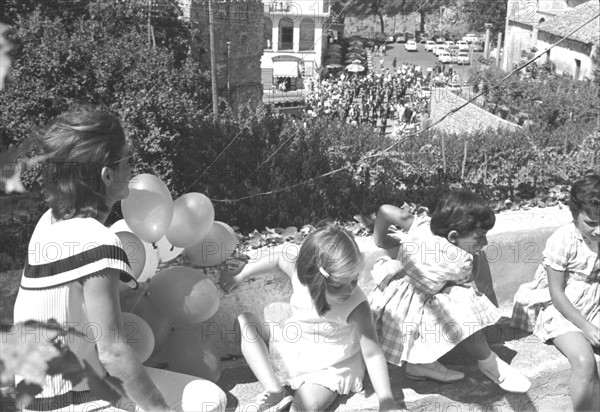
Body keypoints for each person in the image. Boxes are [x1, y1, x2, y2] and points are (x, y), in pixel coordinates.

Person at [12, 109, 227, 412]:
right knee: (208, 400)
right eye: (129, 162)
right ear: (107, 175)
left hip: (36, 397)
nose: (133, 171)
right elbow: (112, 353)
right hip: (71, 401)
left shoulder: (49, 223)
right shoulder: (98, 241)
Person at [221, 223, 405, 412]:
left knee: (299, 409)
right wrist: (241, 275)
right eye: (339, 284)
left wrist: (386, 400)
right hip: (296, 343)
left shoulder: (357, 306)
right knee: (245, 321)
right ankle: (274, 390)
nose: (349, 289)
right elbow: (278, 257)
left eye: (353, 280)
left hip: (330, 367)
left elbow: (373, 354)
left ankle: (292, 402)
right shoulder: (301, 277)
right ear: (315, 277)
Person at [369, 190, 532, 393]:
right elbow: (474, 288)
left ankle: (419, 363)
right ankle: (490, 364)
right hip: (411, 317)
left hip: (388, 306)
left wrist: (381, 241)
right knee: (463, 300)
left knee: (446, 296)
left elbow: (385, 210)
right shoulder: (461, 261)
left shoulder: (422, 227)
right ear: (454, 236)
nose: (485, 243)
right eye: (480, 237)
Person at [512, 171, 599, 411]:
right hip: (563, 310)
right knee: (584, 361)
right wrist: (585, 326)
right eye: (591, 223)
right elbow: (556, 293)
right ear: (574, 215)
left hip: (595, 305)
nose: (598, 230)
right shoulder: (563, 240)